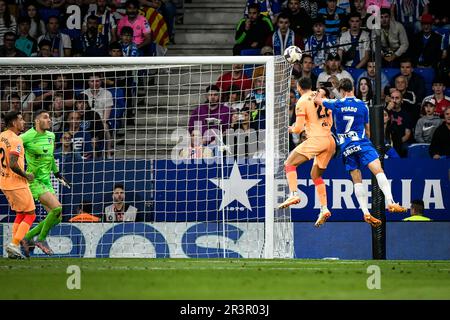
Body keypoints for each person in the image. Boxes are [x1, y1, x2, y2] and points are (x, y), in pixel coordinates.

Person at [314, 78, 407, 228]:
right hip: (362, 143)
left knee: (356, 178)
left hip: (346, 146)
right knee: (378, 170)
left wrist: (321, 90)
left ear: (342, 91)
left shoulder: (337, 104)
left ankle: (365, 212)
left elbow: (318, 100)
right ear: (353, 89)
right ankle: (390, 201)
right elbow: (368, 129)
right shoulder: (363, 106)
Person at [279, 77, 336, 228]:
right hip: (330, 140)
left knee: (289, 163)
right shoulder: (321, 95)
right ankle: (324, 208)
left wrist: (290, 128)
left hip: (316, 139)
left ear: (298, 88)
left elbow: (297, 129)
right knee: (316, 175)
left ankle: (293, 194)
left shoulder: (302, 101)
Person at [19, 110, 71, 257]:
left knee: (57, 217)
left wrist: (57, 174)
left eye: (49, 118)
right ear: (37, 121)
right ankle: (41, 239)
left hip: (47, 181)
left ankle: (28, 237)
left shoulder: (51, 136)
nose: (49, 120)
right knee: (57, 208)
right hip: (34, 181)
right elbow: (10, 146)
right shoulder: (26, 136)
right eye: (45, 117)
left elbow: (50, 156)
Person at [0, 111, 36, 259]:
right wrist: (26, 175)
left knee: (21, 213)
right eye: (21, 120)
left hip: (4, 182)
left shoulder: (1, 136)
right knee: (31, 215)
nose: (24, 122)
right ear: (14, 123)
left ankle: (13, 249)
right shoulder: (16, 140)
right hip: (17, 183)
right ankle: (14, 244)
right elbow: (13, 164)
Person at [385, 89, 413, 157]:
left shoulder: (406, 115)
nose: (394, 101)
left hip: (400, 143)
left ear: (402, 100)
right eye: (392, 98)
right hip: (385, 142)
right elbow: (378, 125)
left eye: (397, 98)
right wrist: (387, 109)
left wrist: (396, 144)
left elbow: (407, 135)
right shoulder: (385, 112)